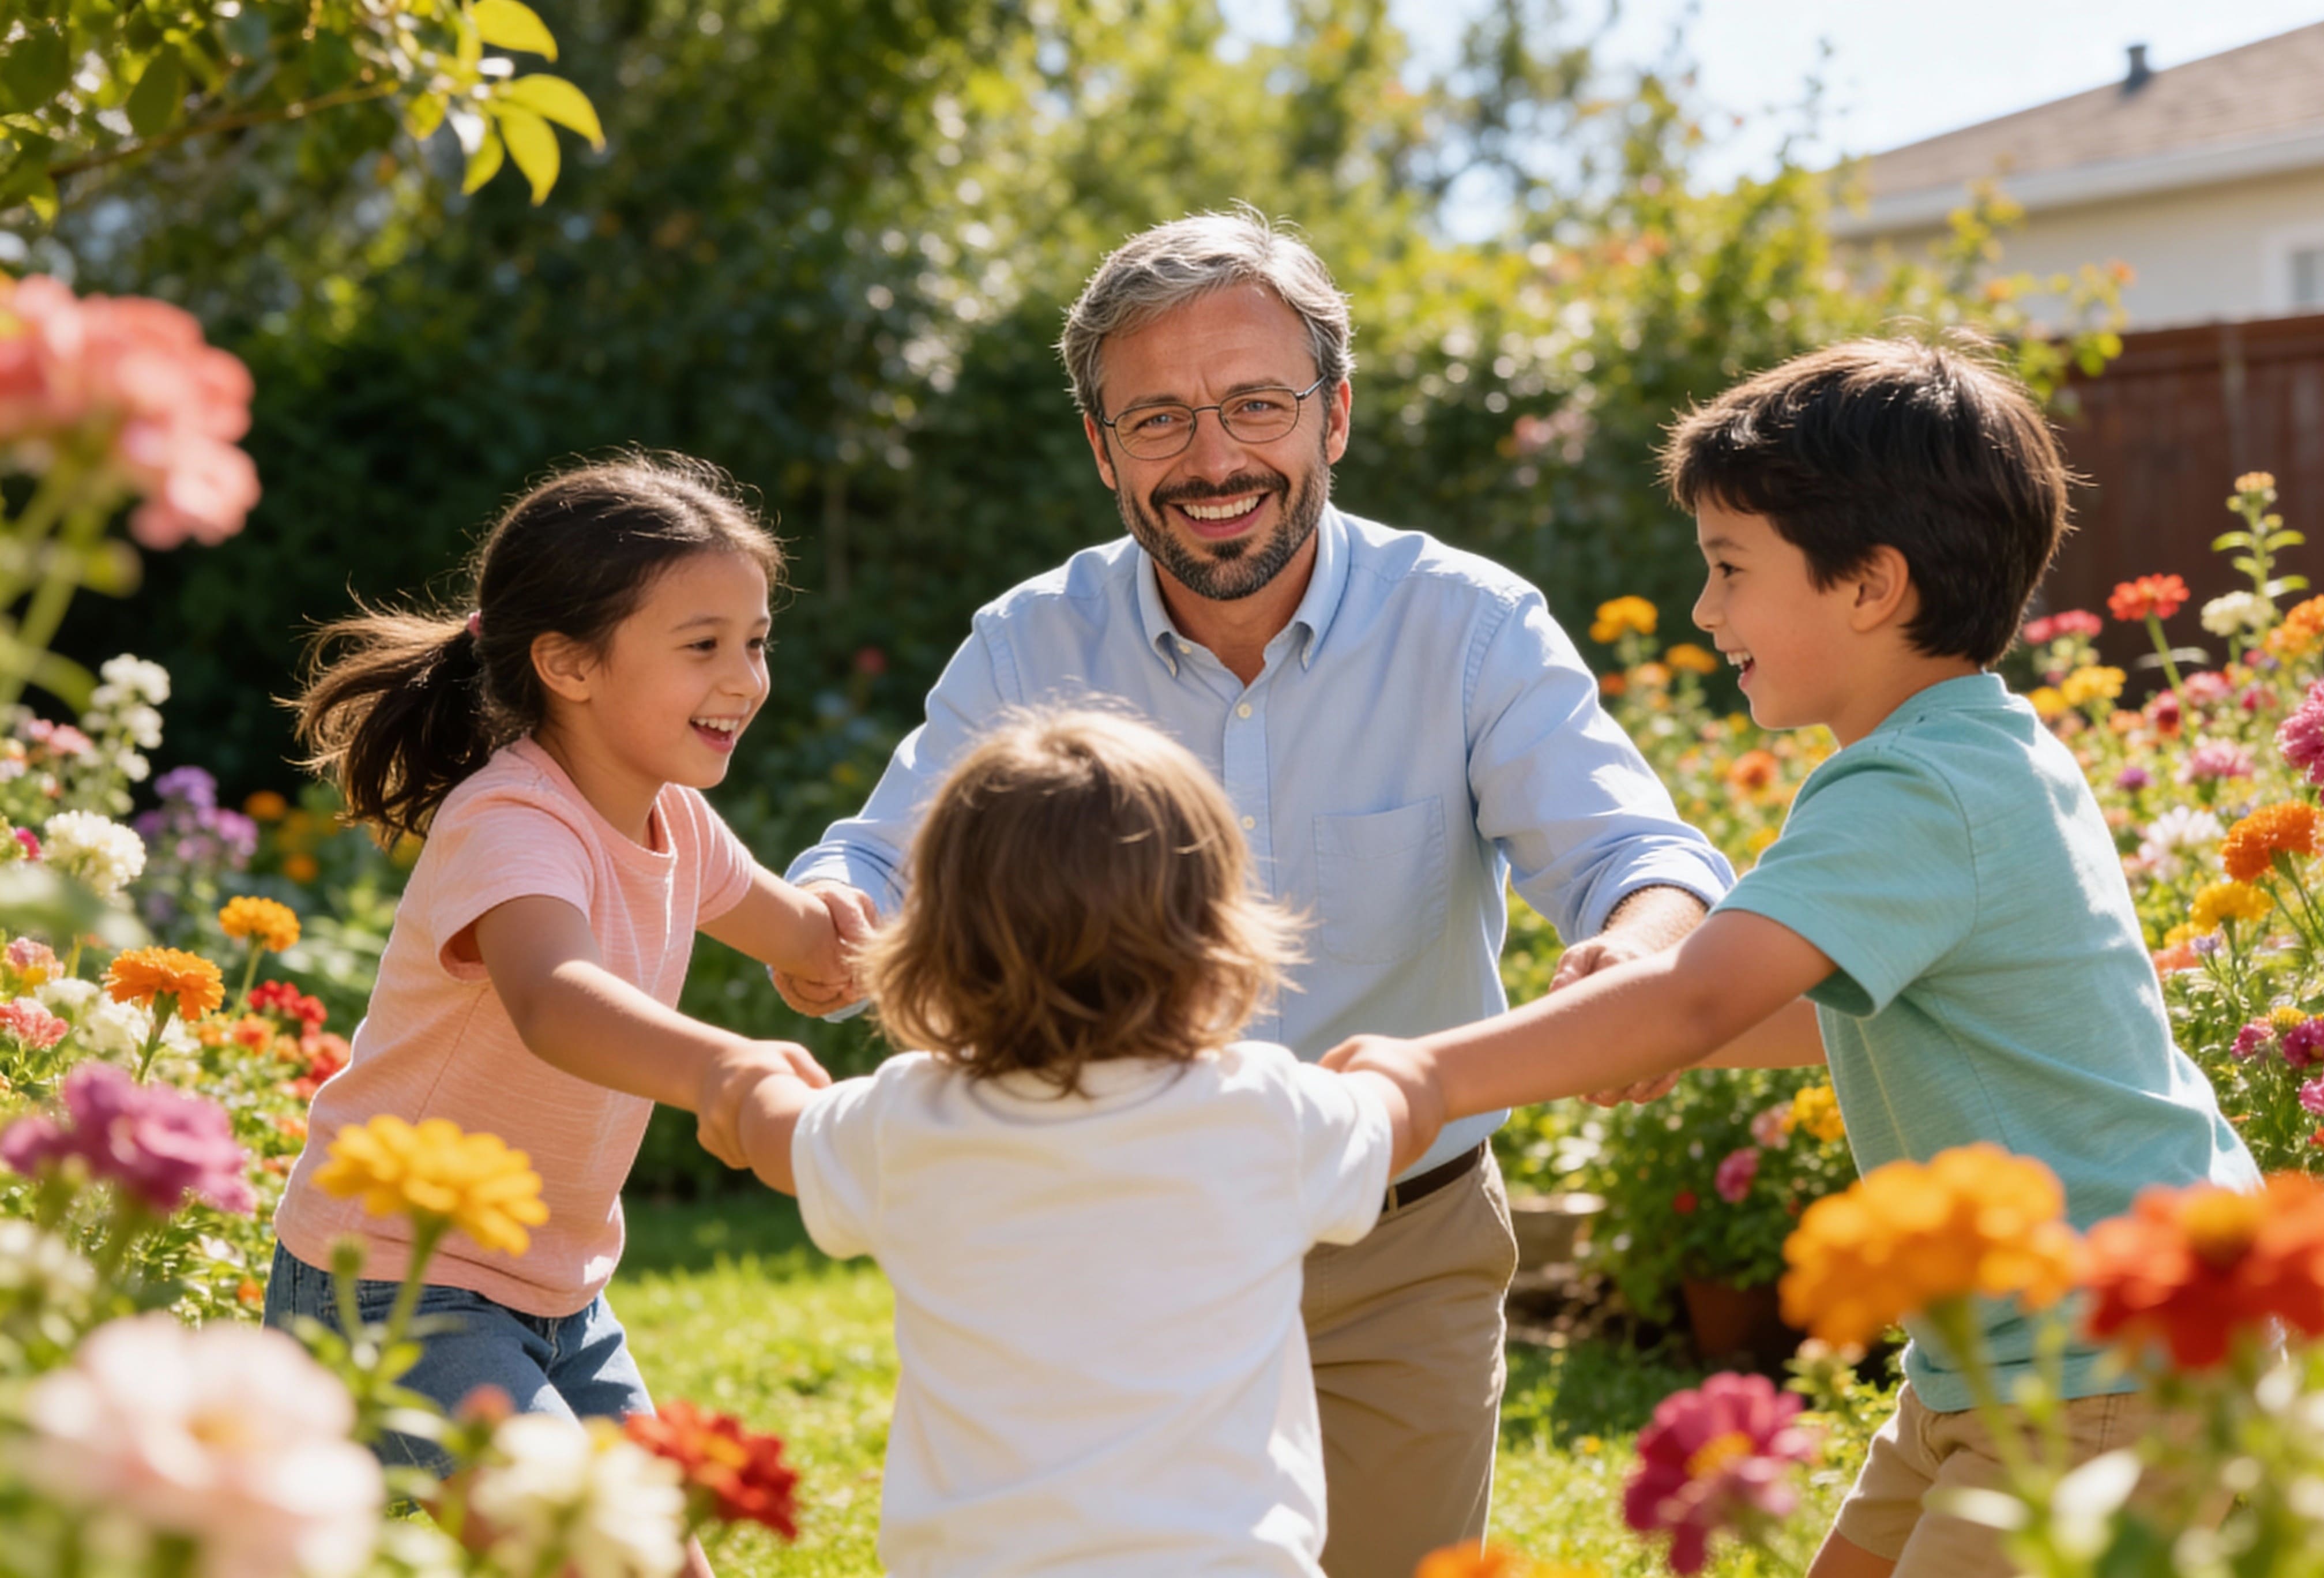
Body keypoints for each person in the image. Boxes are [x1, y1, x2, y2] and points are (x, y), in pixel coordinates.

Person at [783, 208, 1734, 1573]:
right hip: (1093, 1250)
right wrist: (830, 914)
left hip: (1397, 1245)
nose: (1213, 458)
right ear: (1102, 447)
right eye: (1157, 419)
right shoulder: (1029, 641)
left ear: (1332, 415)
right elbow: (876, 860)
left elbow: (1635, 858)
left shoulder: (1465, 623)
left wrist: (1635, 953)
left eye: (1255, 404)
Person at [1321, 337, 2262, 1578]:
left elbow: (1701, 990)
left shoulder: (1912, 788)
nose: (1703, 610)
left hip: (2098, 1366)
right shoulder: (1982, 749)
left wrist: (1428, 1076)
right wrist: (1651, 1036)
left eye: (1728, 567)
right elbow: (1850, 1008)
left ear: (1868, 585)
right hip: (2001, 1362)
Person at [264, 453, 858, 1575]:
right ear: (568, 663)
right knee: (589, 1555)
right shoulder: (513, 821)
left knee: (659, 1561)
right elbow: (553, 998)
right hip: (396, 1282)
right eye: (702, 646)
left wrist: (875, 948)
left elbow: (815, 941)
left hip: (559, 1296)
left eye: (756, 641)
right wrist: (723, 1070)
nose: (745, 679)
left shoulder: (676, 821)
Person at [741, 708, 1426, 1577]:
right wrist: (1399, 1073)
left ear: (944, 940)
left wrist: (750, 1079)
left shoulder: (910, 1117)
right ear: (1211, 937)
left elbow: (774, 1134)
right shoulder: (1263, 1107)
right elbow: (1406, 1118)